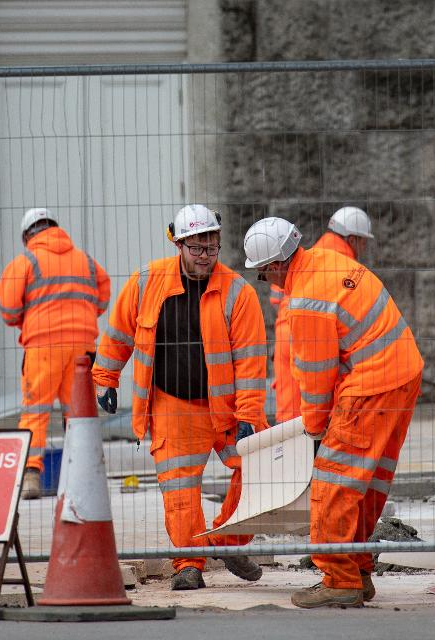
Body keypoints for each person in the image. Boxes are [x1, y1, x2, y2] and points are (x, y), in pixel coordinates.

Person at [244, 217, 422, 608]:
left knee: (333, 482)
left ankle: (340, 580)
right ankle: (357, 570)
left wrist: (314, 430)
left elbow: (315, 377)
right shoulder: (327, 260)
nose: (267, 282)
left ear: (275, 266)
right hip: (402, 374)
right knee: (366, 482)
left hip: (372, 384)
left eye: (262, 275)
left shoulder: (305, 303)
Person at [92, 204, 269, 591]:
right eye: (197, 248)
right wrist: (105, 378)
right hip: (172, 405)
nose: (205, 256)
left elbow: (252, 360)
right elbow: (118, 333)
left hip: (225, 407)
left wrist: (249, 414)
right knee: (179, 488)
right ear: (178, 243)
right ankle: (189, 564)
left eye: (212, 248)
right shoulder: (146, 282)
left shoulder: (237, 292)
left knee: (259, 469)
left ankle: (227, 542)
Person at [0, 208, 110, 500]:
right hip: (82, 348)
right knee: (78, 413)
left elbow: (8, 309)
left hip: (42, 347)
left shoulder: (26, 262)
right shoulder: (85, 260)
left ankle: (31, 475)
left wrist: (29, 318)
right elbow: (102, 297)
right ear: (55, 228)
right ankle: (83, 475)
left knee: (36, 410)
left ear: (27, 236)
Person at [271, 207, 375, 424]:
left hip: (286, 330)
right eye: (364, 242)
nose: (364, 248)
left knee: (290, 415)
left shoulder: (315, 252)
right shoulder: (343, 263)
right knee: (316, 415)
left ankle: (292, 456)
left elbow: (276, 298)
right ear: (353, 239)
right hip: (308, 332)